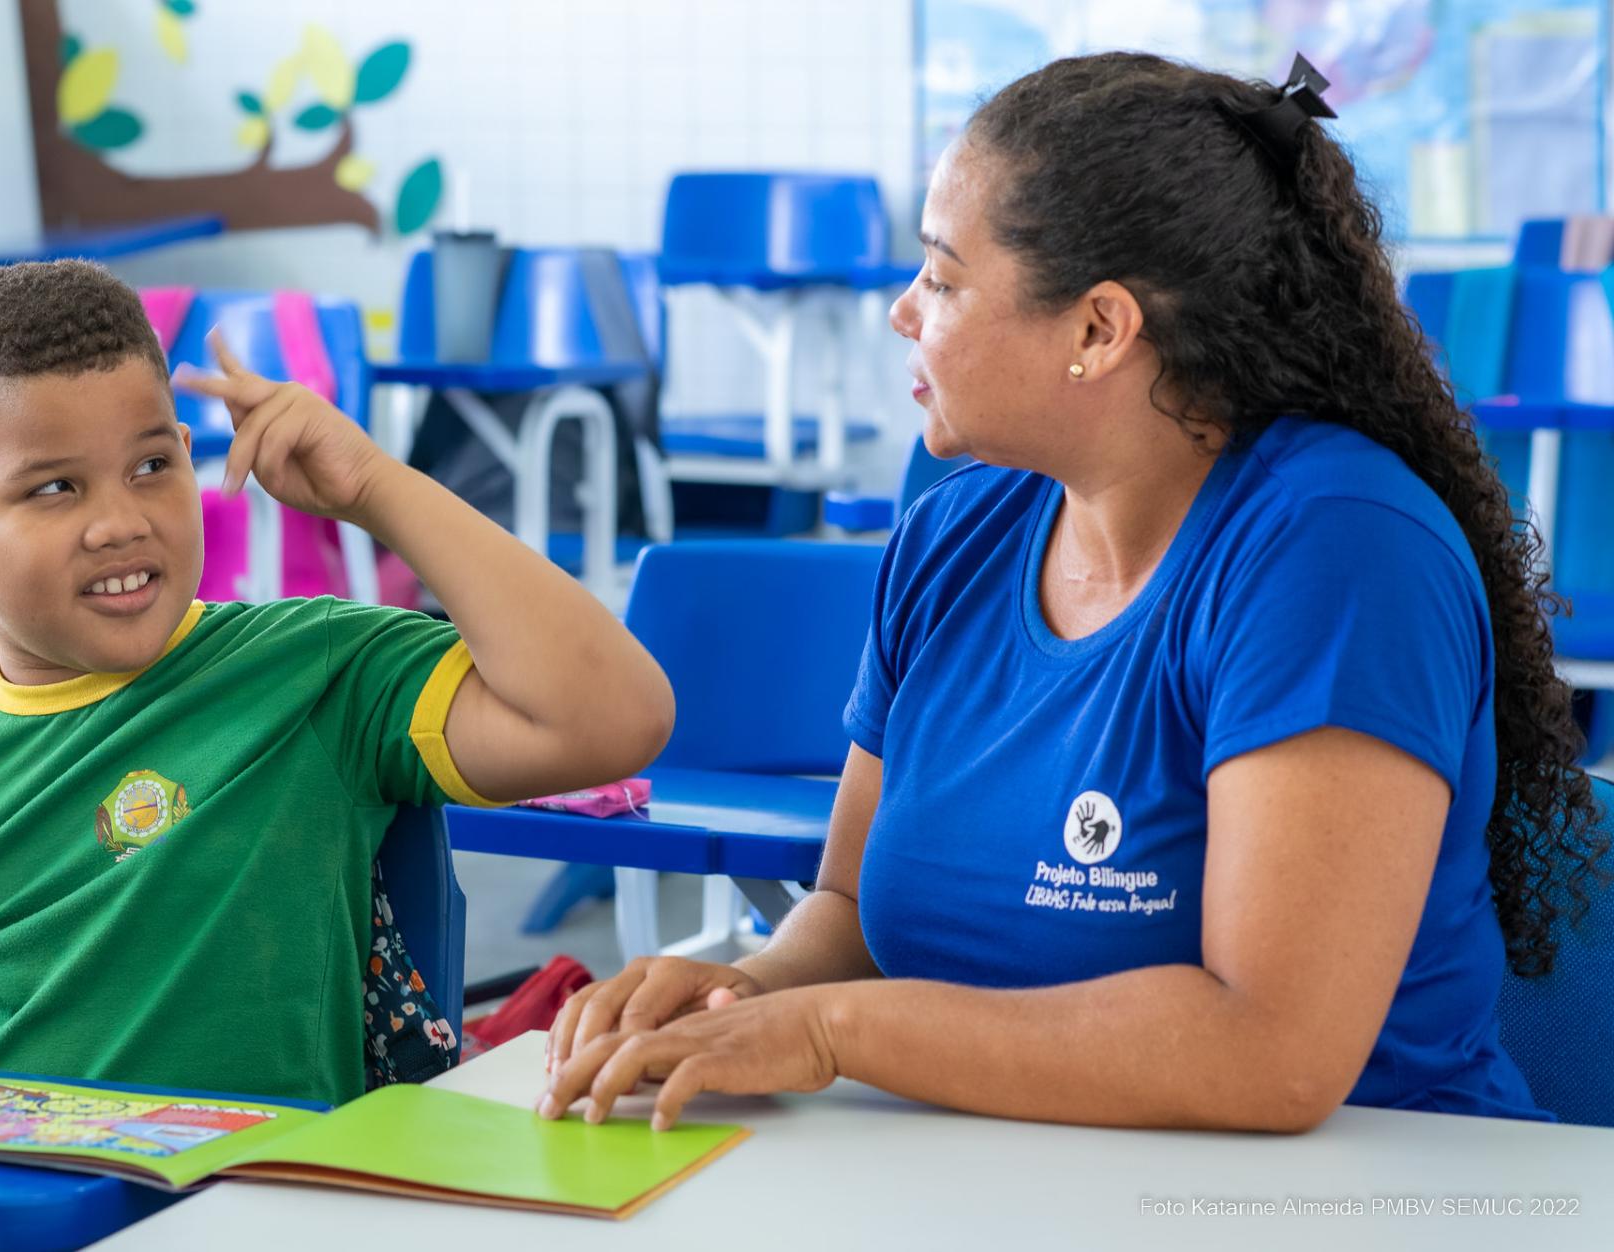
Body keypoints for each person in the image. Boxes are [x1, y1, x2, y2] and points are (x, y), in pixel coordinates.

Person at [538, 52, 1607, 1133]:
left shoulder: (1339, 551)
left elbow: (1274, 1055)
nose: (905, 312)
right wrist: (749, 990)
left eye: (945, 279)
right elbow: (852, 909)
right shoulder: (954, 532)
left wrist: (834, 1032)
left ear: (1099, 329)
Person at [0, 260, 675, 1105]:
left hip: (242, 1215)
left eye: (153, 466)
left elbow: (614, 719)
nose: (120, 523)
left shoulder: (310, 672)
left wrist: (376, 487)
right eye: (54, 488)